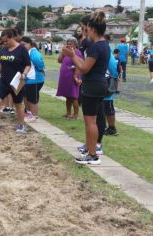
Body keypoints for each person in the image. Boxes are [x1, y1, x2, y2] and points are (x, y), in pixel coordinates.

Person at [62, 12, 110, 165]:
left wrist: (72, 55)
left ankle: (92, 154)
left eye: (86, 29)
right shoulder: (104, 45)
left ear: (93, 30)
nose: (85, 32)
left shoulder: (96, 47)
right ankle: (92, 152)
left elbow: (84, 68)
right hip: (99, 84)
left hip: (93, 86)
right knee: (93, 121)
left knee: (90, 122)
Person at [0, 29, 31, 134]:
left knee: (18, 104)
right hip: (4, 81)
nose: (4, 43)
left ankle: (21, 125)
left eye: (6, 41)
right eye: (3, 42)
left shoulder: (22, 49)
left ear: (11, 38)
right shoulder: (4, 50)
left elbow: (28, 65)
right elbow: (1, 64)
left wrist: (24, 74)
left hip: (17, 81)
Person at [56, 38, 83, 120]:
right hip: (65, 76)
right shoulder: (66, 52)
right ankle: (68, 113)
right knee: (67, 96)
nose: (69, 45)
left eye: (71, 44)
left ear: (75, 45)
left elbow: (79, 65)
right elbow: (59, 60)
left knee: (74, 96)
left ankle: (75, 114)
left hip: (73, 76)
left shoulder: (77, 53)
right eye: (68, 44)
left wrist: (76, 76)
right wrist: (62, 51)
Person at [20, 37, 46, 122]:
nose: (22, 46)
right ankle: (29, 113)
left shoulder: (34, 53)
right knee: (27, 97)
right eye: (21, 45)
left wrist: (41, 69)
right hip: (29, 79)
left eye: (24, 44)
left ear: (30, 44)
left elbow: (40, 64)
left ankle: (34, 115)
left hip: (35, 79)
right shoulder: (28, 52)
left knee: (32, 99)